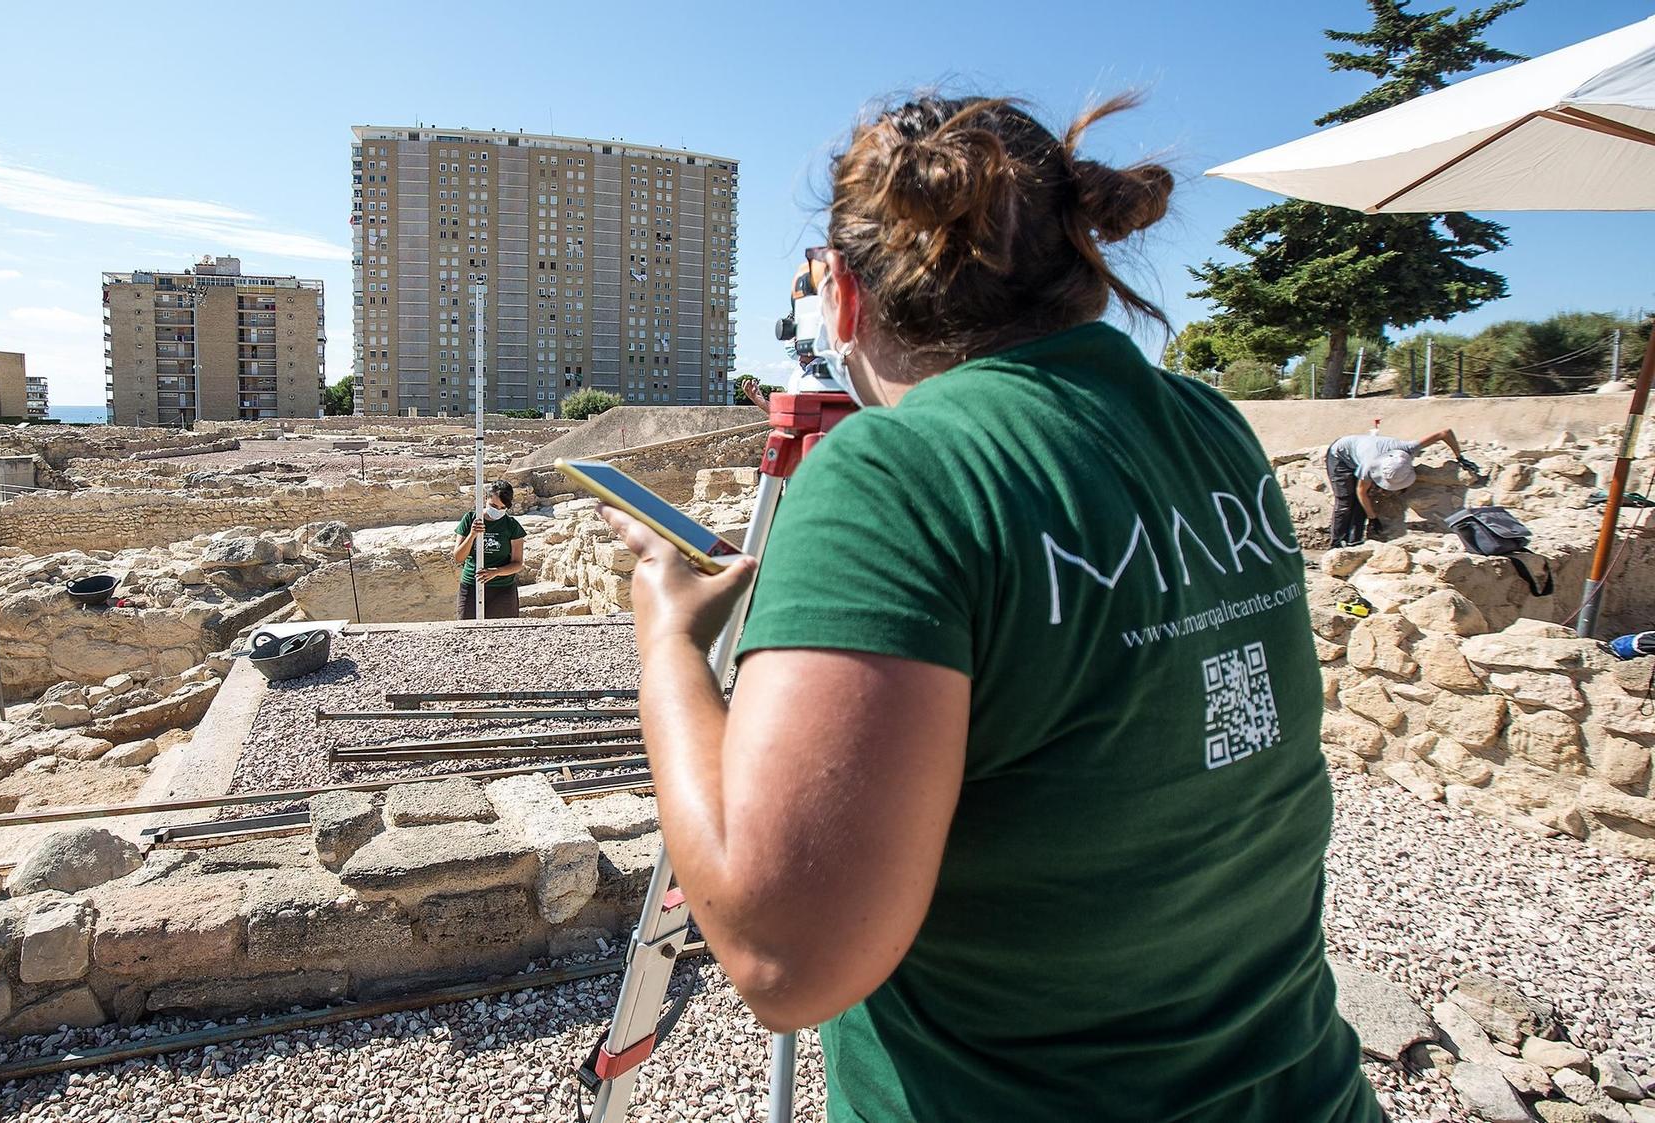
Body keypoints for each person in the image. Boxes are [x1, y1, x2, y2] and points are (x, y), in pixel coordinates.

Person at [602, 93, 1382, 1122]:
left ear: (840, 300)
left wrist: (668, 641)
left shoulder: (898, 470)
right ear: (1079, 263)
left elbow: (782, 958)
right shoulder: (1204, 422)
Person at [1326, 427, 1467, 547]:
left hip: (1363, 451)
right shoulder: (1369, 464)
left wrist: (1460, 457)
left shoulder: (1407, 448)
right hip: (1340, 456)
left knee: (1361, 505)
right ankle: (1336, 544)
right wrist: (1373, 518)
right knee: (1346, 501)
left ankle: (1354, 543)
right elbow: (1361, 491)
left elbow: (1445, 433)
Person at [451, 480, 526, 620]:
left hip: (502, 589)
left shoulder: (512, 526)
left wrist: (496, 572)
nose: (497, 510)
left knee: (504, 631)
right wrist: (472, 535)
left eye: (502, 507)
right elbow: (458, 558)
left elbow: (517, 563)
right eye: (493, 505)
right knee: (467, 630)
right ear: (486, 499)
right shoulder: (470, 519)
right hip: (471, 585)